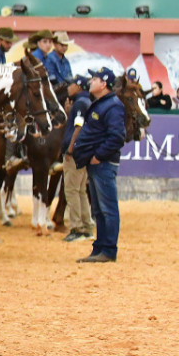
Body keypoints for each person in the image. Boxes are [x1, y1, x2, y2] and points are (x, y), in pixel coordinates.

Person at [73, 68, 126, 263]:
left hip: (102, 163)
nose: (91, 81)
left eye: (94, 79)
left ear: (103, 84)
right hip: (96, 162)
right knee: (99, 209)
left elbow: (117, 137)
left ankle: (108, 249)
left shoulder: (112, 106)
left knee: (107, 208)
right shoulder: (103, 104)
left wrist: (98, 155)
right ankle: (100, 248)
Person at [61, 78, 94, 243]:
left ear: (78, 86)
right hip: (83, 152)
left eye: (71, 84)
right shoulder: (86, 101)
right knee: (80, 190)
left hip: (75, 153)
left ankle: (77, 228)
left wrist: (70, 149)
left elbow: (78, 127)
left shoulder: (80, 103)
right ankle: (86, 226)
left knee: (72, 190)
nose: (69, 87)